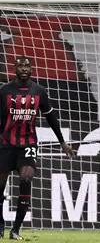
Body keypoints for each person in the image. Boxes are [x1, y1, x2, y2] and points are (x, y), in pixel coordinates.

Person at [0, 56, 74, 240]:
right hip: (6, 145)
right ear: (14, 69)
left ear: (31, 69)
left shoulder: (39, 91)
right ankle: (0, 223)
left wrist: (62, 142)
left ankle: (15, 229)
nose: (24, 68)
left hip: (28, 145)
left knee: (26, 178)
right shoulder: (4, 91)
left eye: (27, 65)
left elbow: (51, 118)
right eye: (20, 66)